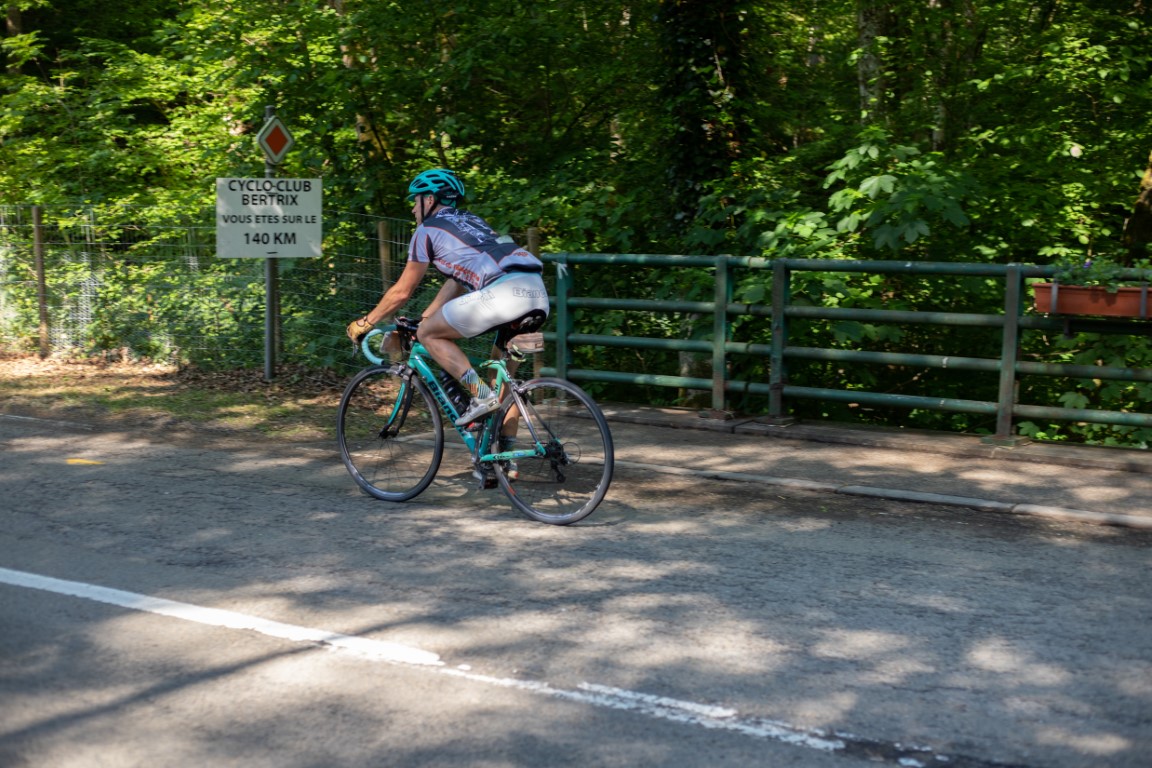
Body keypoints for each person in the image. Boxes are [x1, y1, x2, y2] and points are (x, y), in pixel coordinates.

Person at [346, 168, 549, 429]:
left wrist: (365, 322)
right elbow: (456, 283)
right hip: (536, 294)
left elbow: (402, 291)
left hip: (503, 294)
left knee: (428, 335)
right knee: (501, 383)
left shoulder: (426, 230)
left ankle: (480, 395)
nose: (413, 209)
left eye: (415, 201)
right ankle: (506, 454)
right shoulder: (473, 222)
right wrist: (425, 319)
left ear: (429, 199)